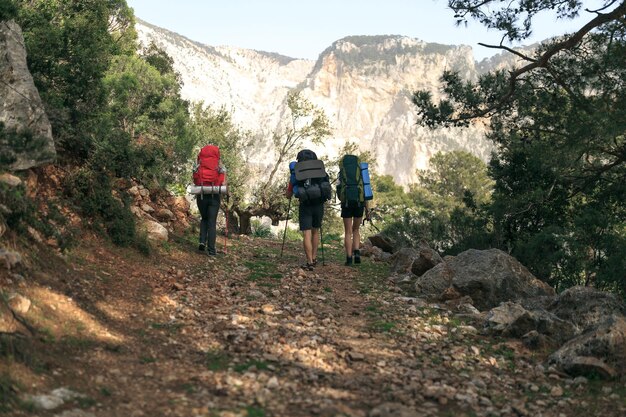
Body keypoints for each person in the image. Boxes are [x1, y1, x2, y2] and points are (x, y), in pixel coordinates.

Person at [286, 149, 331, 271]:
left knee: (307, 233)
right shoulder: (319, 170)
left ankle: (309, 262)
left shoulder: (297, 172)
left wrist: (291, 192)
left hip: (305, 204)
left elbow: (288, 194)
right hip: (319, 204)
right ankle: (315, 257)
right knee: (315, 231)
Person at [336, 154, 374, 266]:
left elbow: (339, 190)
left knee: (348, 232)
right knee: (356, 230)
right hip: (359, 203)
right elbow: (365, 192)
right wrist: (367, 210)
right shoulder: (362, 172)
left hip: (347, 203)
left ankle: (348, 258)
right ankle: (357, 253)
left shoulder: (341, 173)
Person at [193, 144, 227, 256]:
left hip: (202, 195)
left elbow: (195, 180)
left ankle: (202, 241)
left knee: (204, 218)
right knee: (212, 222)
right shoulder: (220, 167)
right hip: (214, 196)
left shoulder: (198, 165)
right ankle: (212, 250)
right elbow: (223, 183)